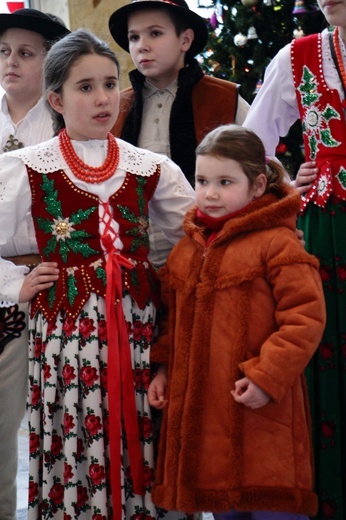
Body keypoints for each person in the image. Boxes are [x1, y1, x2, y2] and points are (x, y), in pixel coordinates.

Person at [0, 27, 195, 519]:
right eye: (85, 87)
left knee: (144, 439)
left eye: (109, 83)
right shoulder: (26, 167)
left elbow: (195, 241)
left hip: (138, 333)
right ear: (56, 100)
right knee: (76, 437)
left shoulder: (151, 168)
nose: (103, 98)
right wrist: (14, 286)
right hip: (66, 336)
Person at [148, 125, 326, 520]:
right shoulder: (187, 248)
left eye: (225, 182)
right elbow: (171, 319)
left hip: (261, 410)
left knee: (270, 507)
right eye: (202, 180)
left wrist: (266, 376)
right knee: (224, 507)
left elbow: (306, 316)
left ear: (258, 184)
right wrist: (162, 368)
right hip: (206, 424)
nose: (210, 192)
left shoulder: (277, 243)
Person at [243, 2, 346, 518]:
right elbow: (251, 143)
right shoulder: (298, 57)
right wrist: (284, 179)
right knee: (326, 347)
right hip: (327, 229)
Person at [108, 0, 249, 267]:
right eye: (134, 37)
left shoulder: (223, 98)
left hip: (209, 256)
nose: (142, 45)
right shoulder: (117, 107)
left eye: (155, 33)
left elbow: (263, 163)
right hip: (134, 262)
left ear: (185, 39)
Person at [0, 9, 69, 520]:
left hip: (57, 284)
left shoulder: (65, 120)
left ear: (49, 61)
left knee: (58, 422)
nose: (11, 62)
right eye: (4, 52)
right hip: (6, 283)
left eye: (26, 52)